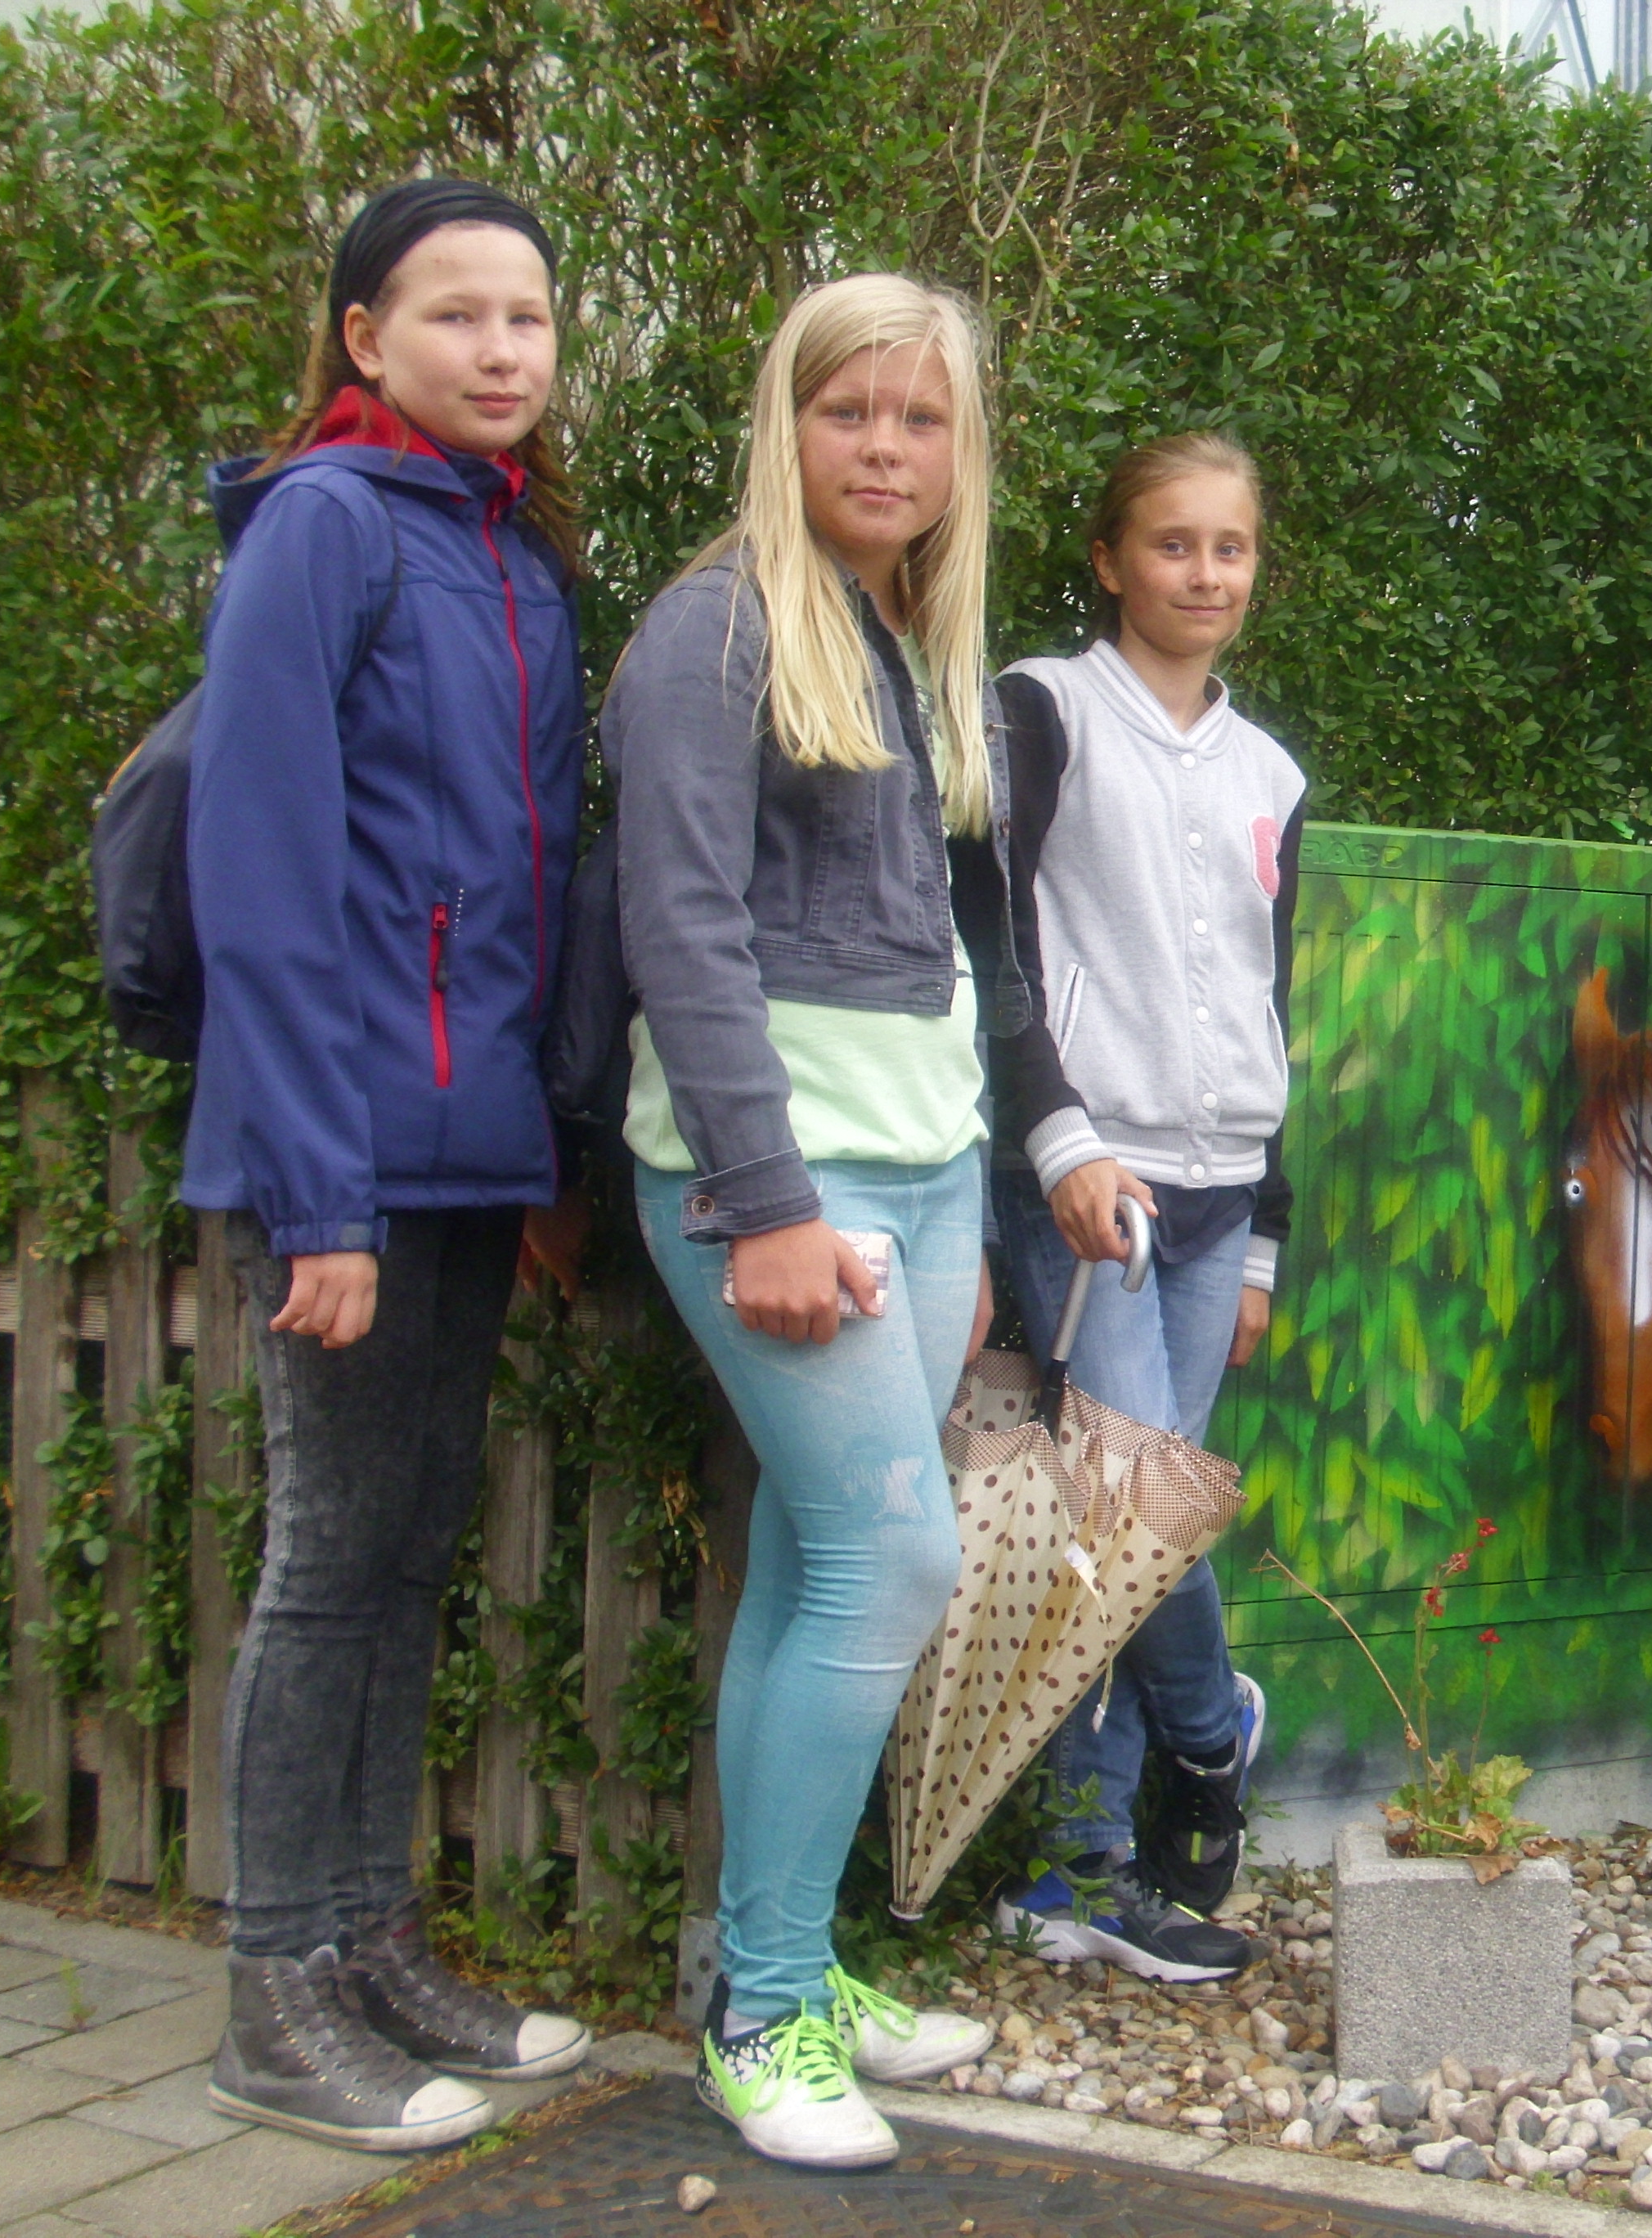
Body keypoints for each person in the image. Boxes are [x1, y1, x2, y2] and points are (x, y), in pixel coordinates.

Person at [186, 178, 592, 2155]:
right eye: (455, 314)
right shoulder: (324, 524)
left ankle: (368, 1941)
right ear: (365, 337)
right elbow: (261, 879)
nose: (500, 349)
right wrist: (317, 1198)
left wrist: (533, 1158)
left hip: (464, 1152)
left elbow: (520, 901)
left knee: (409, 1548)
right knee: (329, 1559)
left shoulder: (518, 557)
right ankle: (275, 1985)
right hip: (337, 1151)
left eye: (527, 317)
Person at [604, 273, 1012, 2169]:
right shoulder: (716, 626)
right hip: (779, 1174)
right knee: (888, 1562)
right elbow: (681, 927)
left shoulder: (897, 630)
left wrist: (967, 1201)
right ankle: (760, 2016)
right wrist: (764, 1202)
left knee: (809, 1570)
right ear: (787, 422)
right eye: (851, 409)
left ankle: (785, 1965)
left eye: (922, 418)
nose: (886, 447)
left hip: (920, 1168)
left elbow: (936, 955)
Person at [982, 432, 1302, 1981]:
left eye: (1229, 548)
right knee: (1131, 1517)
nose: (1203, 574)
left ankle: (1076, 1869)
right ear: (1110, 560)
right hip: (1088, 1181)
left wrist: (1264, 1238)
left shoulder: (1270, 775)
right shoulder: (1042, 710)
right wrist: (1054, 1138)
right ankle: (1205, 1727)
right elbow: (994, 939)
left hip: (1219, 1188)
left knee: (1115, 1535)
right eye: (1172, 544)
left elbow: (1273, 995)